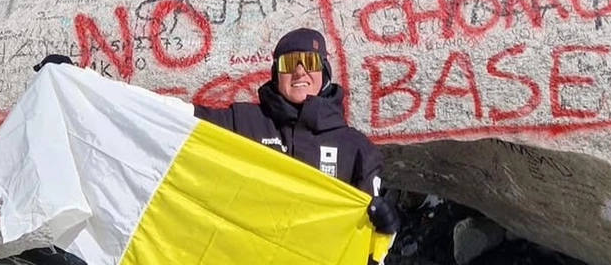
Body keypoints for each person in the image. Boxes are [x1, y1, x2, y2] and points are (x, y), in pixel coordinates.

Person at [34, 27, 399, 236]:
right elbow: (166, 117)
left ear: (325, 74)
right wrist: (82, 82)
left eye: (311, 63)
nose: (301, 71)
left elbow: (371, 237)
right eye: (290, 63)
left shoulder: (356, 149)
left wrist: (387, 226)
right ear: (276, 73)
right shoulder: (244, 123)